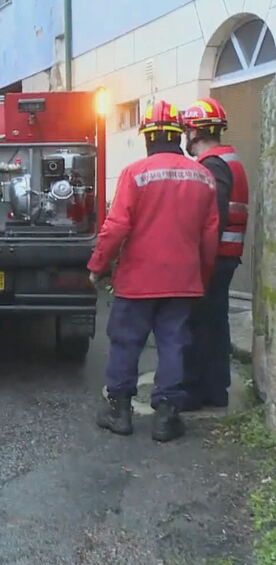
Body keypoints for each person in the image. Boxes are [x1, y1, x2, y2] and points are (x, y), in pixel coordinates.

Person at [90, 101, 219, 442]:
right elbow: (209, 237)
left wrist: (98, 267)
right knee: (174, 344)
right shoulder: (203, 177)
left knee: (125, 343)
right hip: (182, 281)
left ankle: (120, 413)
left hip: (137, 281)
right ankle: (166, 417)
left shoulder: (135, 173)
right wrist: (200, 277)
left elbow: (116, 227)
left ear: (147, 136)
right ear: (179, 136)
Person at [181, 97, 249, 410]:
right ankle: (216, 389)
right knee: (215, 321)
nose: (184, 136)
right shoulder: (228, 159)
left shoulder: (213, 166)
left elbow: (213, 217)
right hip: (227, 254)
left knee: (200, 323)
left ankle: (196, 391)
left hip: (216, 256)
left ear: (195, 132)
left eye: (186, 129)